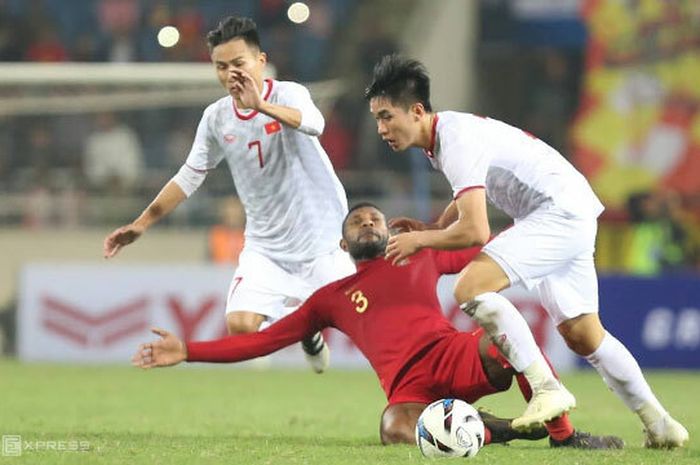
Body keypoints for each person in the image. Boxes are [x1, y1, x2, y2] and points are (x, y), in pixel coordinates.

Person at [364, 54, 688, 448]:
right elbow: (469, 193)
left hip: (556, 212)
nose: (381, 128)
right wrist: (435, 225)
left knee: (469, 288)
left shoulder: (455, 139)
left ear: (416, 111)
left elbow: (475, 230)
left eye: (385, 116)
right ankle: (661, 424)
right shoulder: (444, 137)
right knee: (584, 335)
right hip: (569, 208)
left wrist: (420, 240)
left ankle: (545, 387)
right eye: (377, 118)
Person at [133, 203, 623, 449]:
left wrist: (555, 238)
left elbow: (489, 252)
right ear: (343, 246)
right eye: (357, 222)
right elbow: (262, 340)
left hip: (453, 355)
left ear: (391, 231)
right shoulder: (329, 298)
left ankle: (564, 436)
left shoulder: (420, 257)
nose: (368, 223)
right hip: (407, 386)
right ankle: (499, 432)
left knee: (507, 342)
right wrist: (188, 351)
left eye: (374, 219)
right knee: (393, 428)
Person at [103, 16, 355, 373]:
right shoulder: (217, 118)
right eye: (221, 67)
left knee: (362, 322)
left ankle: (309, 326)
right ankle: (306, 328)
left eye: (239, 63)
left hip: (322, 242)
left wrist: (261, 106)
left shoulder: (288, 94)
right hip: (266, 247)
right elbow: (189, 175)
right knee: (240, 327)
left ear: (261, 61)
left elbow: (316, 123)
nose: (231, 74)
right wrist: (142, 224)